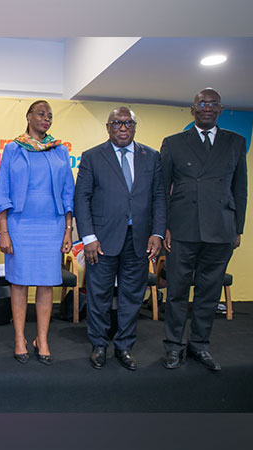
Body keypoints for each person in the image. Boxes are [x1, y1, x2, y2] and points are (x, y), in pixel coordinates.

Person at [161, 88, 247, 371]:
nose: (207, 107)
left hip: (221, 229)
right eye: (202, 103)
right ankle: (174, 346)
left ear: (220, 109)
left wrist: (238, 228)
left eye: (213, 104)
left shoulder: (235, 142)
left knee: (209, 293)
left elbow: (240, 188)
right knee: (176, 291)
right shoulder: (173, 143)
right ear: (192, 109)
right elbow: (162, 190)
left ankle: (200, 345)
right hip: (182, 229)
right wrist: (164, 228)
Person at [74, 107, 166, 371]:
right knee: (99, 294)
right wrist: (88, 237)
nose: (123, 127)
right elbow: (82, 198)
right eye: (117, 123)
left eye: (128, 123)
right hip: (100, 241)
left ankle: (125, 346)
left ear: (135, 127)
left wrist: (157, 233)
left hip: (140, 239)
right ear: (108, 127)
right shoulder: (92, 157)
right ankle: (99, 345)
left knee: (132, 296)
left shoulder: (151, 156)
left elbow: (160, 196)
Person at [0, 100, 74, 365]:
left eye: (49, 115)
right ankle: (19, 339)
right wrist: (4, 231)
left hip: (53, 225)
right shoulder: (13, 148)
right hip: (20, 225)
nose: (46, 118)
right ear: (28, 116)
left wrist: (68, 229)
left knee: (47, 283)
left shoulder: (59, 151)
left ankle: (42, 339)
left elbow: (68, 193)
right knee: (20, 282)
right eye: (40, 113)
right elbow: (2, 192)